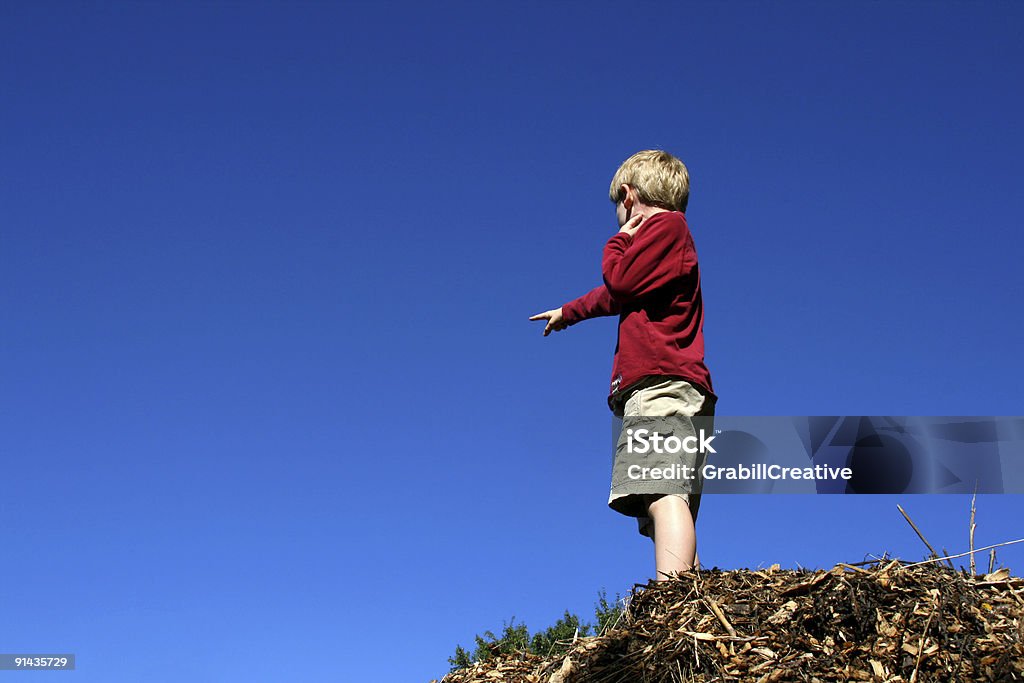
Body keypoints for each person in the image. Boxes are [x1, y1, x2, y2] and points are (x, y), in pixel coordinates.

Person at [530, 149, 717, 580]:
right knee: (665, 503)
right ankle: (694, 598)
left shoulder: (667, 227)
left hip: (663, 385)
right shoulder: (664, 246)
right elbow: (619, 295)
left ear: (628, 196)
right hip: (671, 387)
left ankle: (670, 600)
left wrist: (618, 242)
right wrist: (568, 311)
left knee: (661, 490)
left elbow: (620, 280)